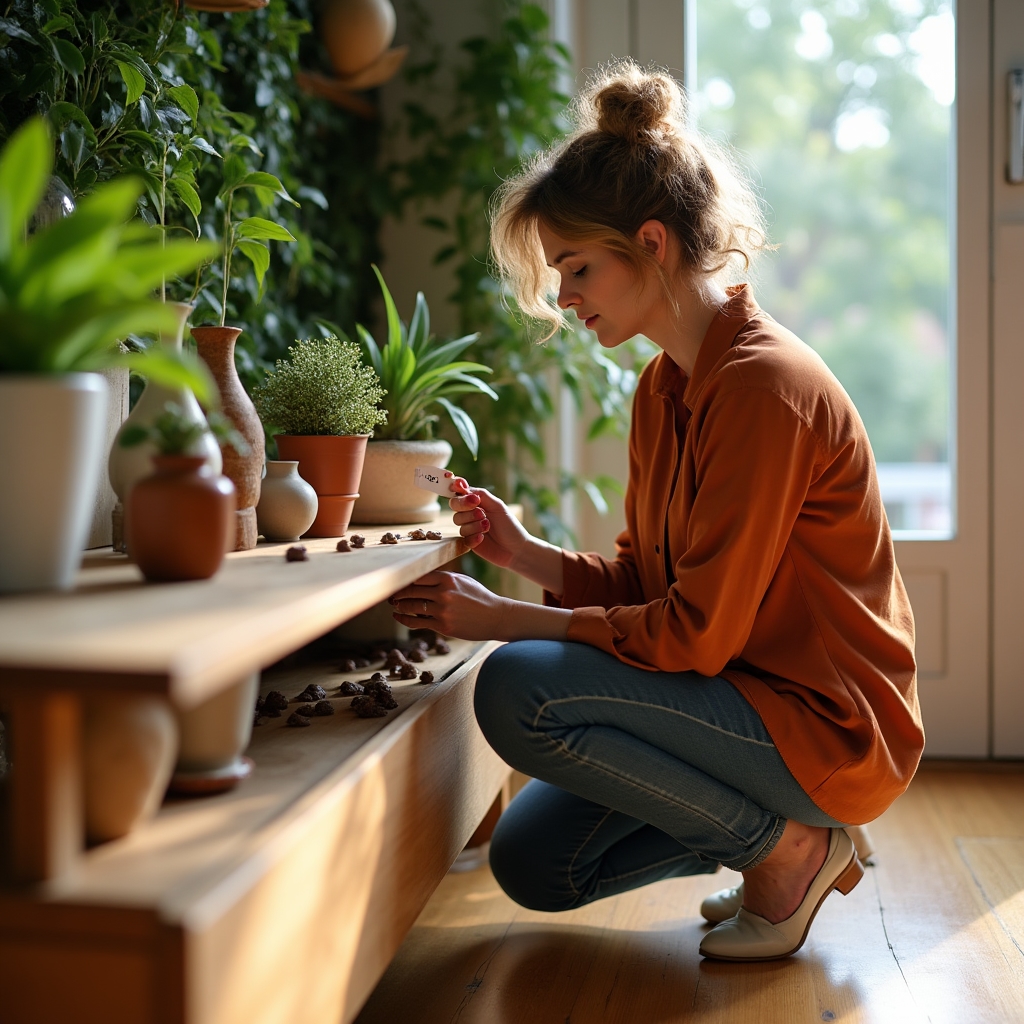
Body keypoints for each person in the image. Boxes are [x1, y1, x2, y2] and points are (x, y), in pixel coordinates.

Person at [390, 61, 923, 962]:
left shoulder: (764, 389)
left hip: (827, 728)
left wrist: (503, 620)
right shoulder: (665, 385)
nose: (565, 297)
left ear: (652, 242)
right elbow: (652, 584)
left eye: (577, 268)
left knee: (518, 682)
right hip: (745, 702)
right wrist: (529, 558)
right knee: (536, 861)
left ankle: (788, 849)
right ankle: (788, 837)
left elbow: (696, 639)